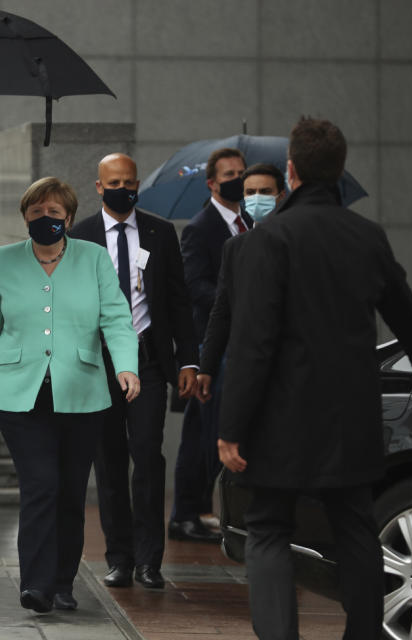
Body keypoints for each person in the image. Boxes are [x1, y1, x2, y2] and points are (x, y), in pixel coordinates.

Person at [216, 117, 412, 639]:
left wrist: (231, 426)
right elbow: (410, 323)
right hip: (352, 418)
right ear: (340, 171)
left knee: (270, 527)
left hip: (279, 420)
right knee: (355, 529)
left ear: (291, 170)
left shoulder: (266, 240)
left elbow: (254, 344)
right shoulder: (366, 236)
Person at [0, 177, 140, 613]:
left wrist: (126, 366)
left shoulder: (94, 259)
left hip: (82, 394)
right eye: (37, 212)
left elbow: (117, 319)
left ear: (69, 219)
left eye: (54, 213)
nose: (46, 219)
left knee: (70, 492)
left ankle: (63, 583)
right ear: (25, 216)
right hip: (18, 396)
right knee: (41, 485)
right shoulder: (5, 260)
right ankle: (37, 585)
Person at [69, 153, 198, 590]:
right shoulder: (81, 235)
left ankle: (149, 561)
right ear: (99, 186)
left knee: (146, 453)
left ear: (137, 183)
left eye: (129, 181)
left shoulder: (161, 232)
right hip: (99, 362)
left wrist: (189, 359)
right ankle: (120, 558)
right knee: (108, 461)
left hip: (147, 360)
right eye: (114, 182)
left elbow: (179, 302)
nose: (123, 188)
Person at [169, 147, 248, 542]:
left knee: (208, 430)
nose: (237, 178)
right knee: (201, 432)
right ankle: (185, 513)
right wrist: (235, 299)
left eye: (241, 172)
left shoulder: (248, 222)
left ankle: (196, 510)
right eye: (229, 173)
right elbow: (193, 283)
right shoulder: (201, 228)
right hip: (212, 347)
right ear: (212, 183)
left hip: (240, 347)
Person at [196, 163, 287, 401]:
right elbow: (221, 311)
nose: (257, 198)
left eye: (265, 192)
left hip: (288, 364)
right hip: (244, 364)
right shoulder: (235, 247)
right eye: (250, 193)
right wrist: (206, 367)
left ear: (281, 196)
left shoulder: (295, 241)